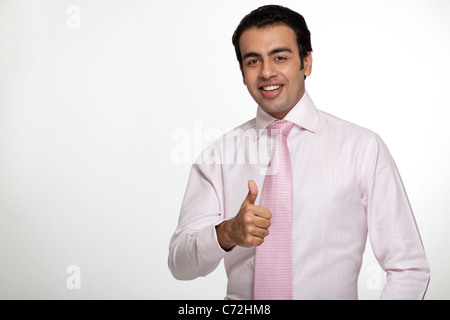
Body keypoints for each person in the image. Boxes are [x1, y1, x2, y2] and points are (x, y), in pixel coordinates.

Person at [168, 5, 430, 299]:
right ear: (242, 73)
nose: (267, 72)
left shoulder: (363, 148)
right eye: (253, 61)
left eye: (280, 57)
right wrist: (226, 233)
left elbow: (408, 267)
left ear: (306, 63)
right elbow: (180, 264)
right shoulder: (218, 155)